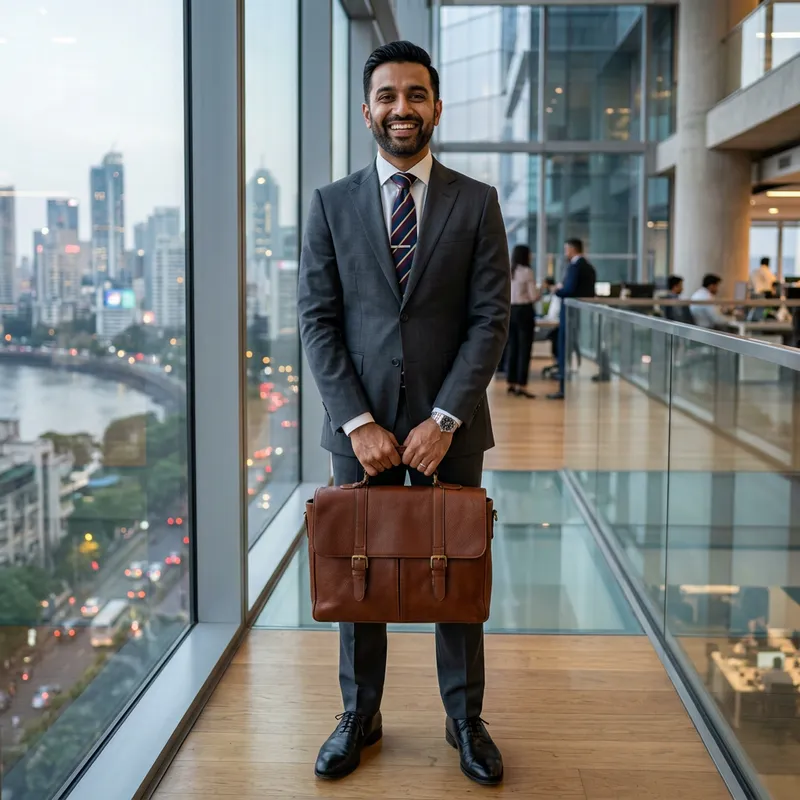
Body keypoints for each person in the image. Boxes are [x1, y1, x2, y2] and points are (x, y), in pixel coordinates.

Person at [298, 41, 509, 786]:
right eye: (387, 96)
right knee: (360, 576)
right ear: (367, 111)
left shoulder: (476, 201)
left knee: (455, 571)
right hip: (362, 433)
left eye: (415, 95)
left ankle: (465, 718)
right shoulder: (330, 204)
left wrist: (444, 417)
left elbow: (490, 320)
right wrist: (359, 422)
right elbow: (317, 320)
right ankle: (360, 713)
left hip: (448, 430)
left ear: (436, 108)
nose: (401, 109)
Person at [547, 238, 596, 400]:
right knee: (568, 347)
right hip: (578, 314)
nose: (565, 253)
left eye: (566, 249)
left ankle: (563, 387)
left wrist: (556, 290)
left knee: (564, 348)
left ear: (573, 249)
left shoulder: (576, 267)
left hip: (569, 313)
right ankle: (565, 384)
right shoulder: (588, 267)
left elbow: (569, 290)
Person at [506, 244, 539, 398]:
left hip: (510, 311)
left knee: (512, 347)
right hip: (524, 311)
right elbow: (533, 296)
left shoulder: (508, 271)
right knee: (524, 349)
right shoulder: (527, 272)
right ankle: (522, 385)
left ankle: (510, 383)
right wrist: (542, 290)